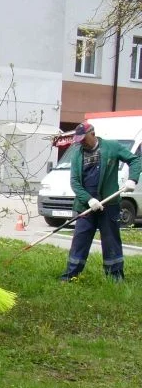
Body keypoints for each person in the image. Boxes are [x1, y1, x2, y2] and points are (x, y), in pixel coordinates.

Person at [60, 121, 141, 282]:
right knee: (80, 241)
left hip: (109, 205)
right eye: (79, 140)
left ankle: (115, 278)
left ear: (93, 134)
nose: (81, 142)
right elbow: (75, 182)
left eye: (84, 139)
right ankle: (70, 276)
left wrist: (132, 179)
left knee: (111, 241)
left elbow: (135, 160)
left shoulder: (111, 147)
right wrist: (89, 200)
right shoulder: (77, 153)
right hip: (86, 206)